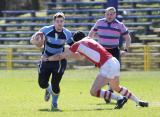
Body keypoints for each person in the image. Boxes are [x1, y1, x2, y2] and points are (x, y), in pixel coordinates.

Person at [41, 31, 149, 109]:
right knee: (116, 87)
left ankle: (120, 99)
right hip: (114, 61)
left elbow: (61, 56)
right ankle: (138, 101)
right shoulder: (89, 39)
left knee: (93, 91)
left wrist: (48, 58)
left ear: (75, 40)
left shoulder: (77, 44)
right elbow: (80, 56)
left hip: (107, 65)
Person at [30, 12, 73, 111]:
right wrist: (37, 42)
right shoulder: (45, 30)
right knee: (42, 83)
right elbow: (31, 40)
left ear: (64, 22)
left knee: (55, 84)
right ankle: (48, 90)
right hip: (45, 59)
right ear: (54, 22)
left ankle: (54, 104)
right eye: (57, 21)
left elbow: (73, 46)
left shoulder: (67, 33)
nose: (59, 23)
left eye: (61, 21)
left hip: (59, 61)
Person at [88, 7, 132, 103]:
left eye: (111, 14)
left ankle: (110, 90)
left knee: (112, 72)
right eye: (107, 14)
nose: (109, 16)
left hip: (114, 51)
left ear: (115, 14)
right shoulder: (99, 22)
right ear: (105, 14)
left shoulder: (120, 25)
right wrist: (90, 44)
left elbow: (128, 38)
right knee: (105, 71)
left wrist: (126, 50)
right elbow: (91, 34)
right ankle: (110, 91)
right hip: (102, 51)